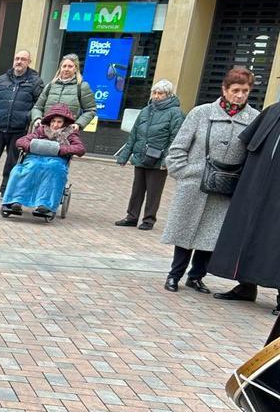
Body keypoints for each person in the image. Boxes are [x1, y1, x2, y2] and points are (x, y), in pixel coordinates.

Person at [162, 67, 258, 293]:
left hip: (227, 186)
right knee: (185, 231)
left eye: (245, 90)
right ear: (224, 89)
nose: (240, 95)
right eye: (235, 90)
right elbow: (178, 148)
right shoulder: (201, 113)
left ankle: (196, 276)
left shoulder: (254, 118)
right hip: (195, 183)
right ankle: (174, 274)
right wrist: (184, 173)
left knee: (211, 235)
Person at [209, 98, 280, 314]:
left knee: (275, 243)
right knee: (247, 235)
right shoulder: (273, 111)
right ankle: (246, 287)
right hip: (255, 187)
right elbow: (247, 145)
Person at [114, 79, 184, 230]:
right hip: (141, 155)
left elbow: (176, 138)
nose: (156, 96)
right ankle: (131, 217)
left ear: (169, 95)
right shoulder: (146, 110)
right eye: (154, 93)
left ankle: (149, 220)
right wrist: (124, 156)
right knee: (137, 189)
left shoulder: (175, 113)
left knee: (153, 192)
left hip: (158, 159)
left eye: (161, 93)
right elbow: (134, 134)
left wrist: (167, 159)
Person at [0, 103, 86, 220]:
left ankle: (45, 205)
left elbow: (80, 149)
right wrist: (32, 145)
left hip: (56, 159)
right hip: (35, 157)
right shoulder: (41, 130)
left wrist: (60, 149)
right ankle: (15, 201)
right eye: (53, 121)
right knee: (24, 169)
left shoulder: (70, 133)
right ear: (49, 121)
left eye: (59, 122)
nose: (55, 125)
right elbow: (21, 141)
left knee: (53, 169)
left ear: (65, 122)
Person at [0, 49, 42, 198]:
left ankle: (6, 189)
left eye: (23, 59)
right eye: (17, 58)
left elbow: (39, 104)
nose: (19, 62)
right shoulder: (2, 79)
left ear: (29, 62)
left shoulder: (35, 81)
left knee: (12, 161)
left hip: (18, 129)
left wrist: (27, 117)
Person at [31, 54, 96, 130]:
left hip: (67, 132)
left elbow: (90, 110)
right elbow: (37, 107)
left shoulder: (82, 87)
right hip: (45, 131)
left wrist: (78, 124)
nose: (66, 69)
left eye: (70, 66)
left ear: (76, 69)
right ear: (60, 68)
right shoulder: (50, 86)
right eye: (64, 66)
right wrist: (37, 118)